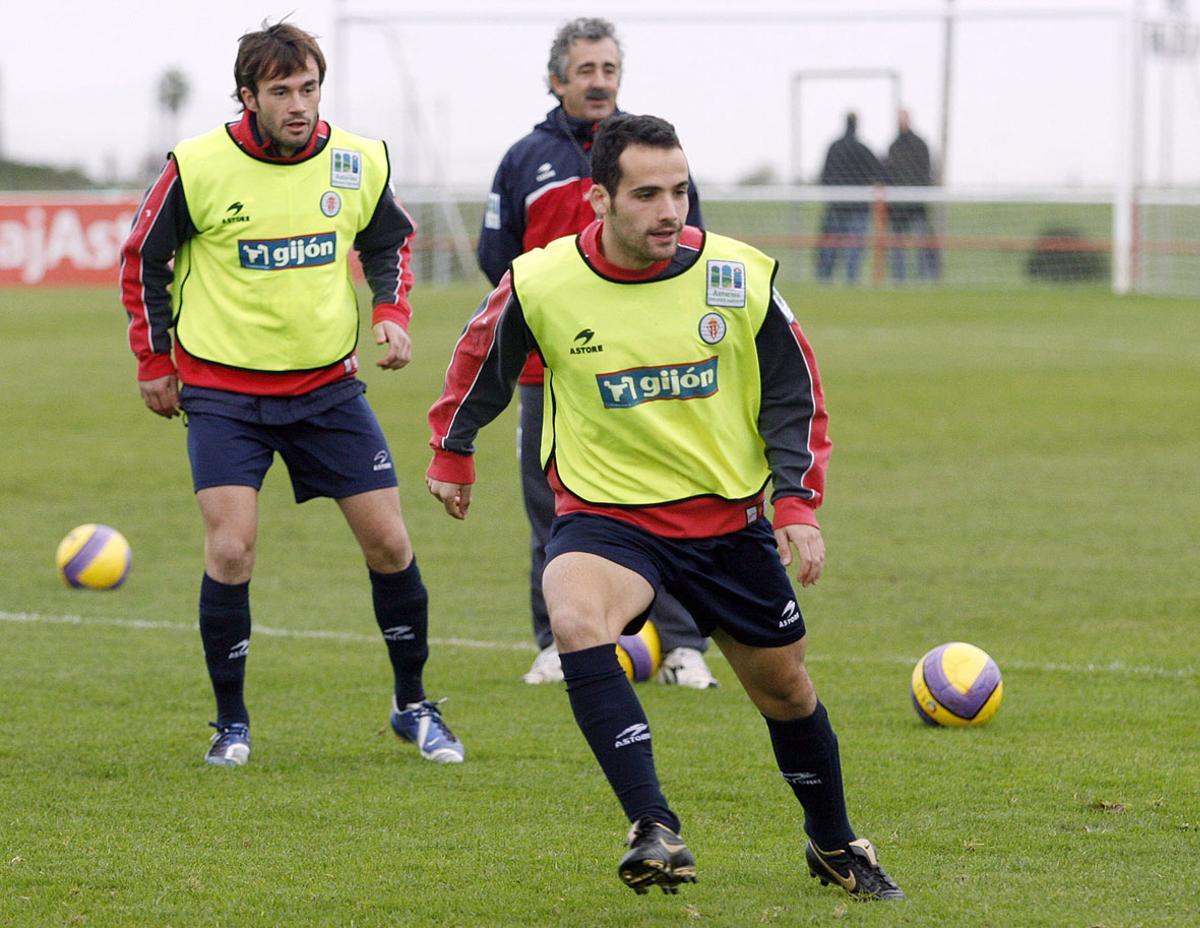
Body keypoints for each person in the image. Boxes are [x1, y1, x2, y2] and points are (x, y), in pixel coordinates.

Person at [428, 113, 903, 900]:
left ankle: (833, 843)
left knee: (785, 689)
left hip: (726, 525)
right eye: (646, 194)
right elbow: (482, 355)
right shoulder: (543, 281)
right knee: (575, 618)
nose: (669, 211)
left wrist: (795, 501)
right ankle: (653, 826)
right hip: (608, 517)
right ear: (599, 200)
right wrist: (453, 448)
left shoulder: (736, 275)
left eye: (680, 191)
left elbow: (796, 391)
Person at [119, 21, 463, 767]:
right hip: (223, 393)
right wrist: (154, 359)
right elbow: (143, 259)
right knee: (231, 549)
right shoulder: (198, 166)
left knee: (390, 543)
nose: (299, 104)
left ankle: (413, 704)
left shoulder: (357, 160)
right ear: (248, 96)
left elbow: (388, 240)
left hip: (328, 390)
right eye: (281, 91)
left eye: (309, 88)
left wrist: (391, 310)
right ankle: (230, 724)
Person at [478, 17, 716, 689]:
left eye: (609, 69)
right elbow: (498, 258)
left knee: (668, 498)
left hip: (646, 368)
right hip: (548, 373)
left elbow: (690, 244)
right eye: (586, 70)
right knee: (551, 507)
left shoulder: (653, 156)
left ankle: (683, 646)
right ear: (557, 80)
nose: (599, 82)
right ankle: (558, 642)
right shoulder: (524, 160)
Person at [815, 112, 882, 283]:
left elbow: (824, 175)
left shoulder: (834, 147)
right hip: (858, 207)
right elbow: (878, 172)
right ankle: (851, 280)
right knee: (854, 246)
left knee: (831, 245)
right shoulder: (863, 149)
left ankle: (824, 280)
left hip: (836, 206)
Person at [884, 108, 940, 281]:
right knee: (896, 245)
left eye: (903, 118)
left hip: (916, 205)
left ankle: (926, 278)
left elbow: (926, 172)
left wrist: (920, 194)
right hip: (897, 207)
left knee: (922, 242)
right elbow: (889, 174)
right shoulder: (894, 146)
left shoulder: (919, 145)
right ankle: (899, 279)